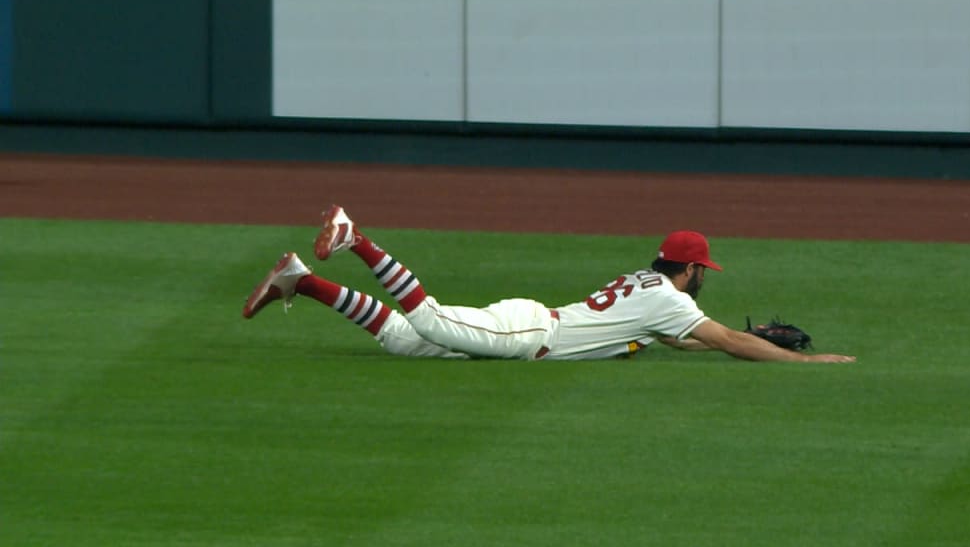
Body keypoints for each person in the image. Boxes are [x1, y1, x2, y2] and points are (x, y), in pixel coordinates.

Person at [242, 205, 856, 364]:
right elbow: (725, 341)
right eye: (704, 270)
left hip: (532, 320)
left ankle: (301, 280)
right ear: (690, 269)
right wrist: (798, 359)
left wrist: (746, 339)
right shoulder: (669, 298)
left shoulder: (647, 287)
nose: (704, 279)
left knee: (403, 340)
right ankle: (357, 238)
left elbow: (687, 341)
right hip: (527, 334)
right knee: (425, 321)